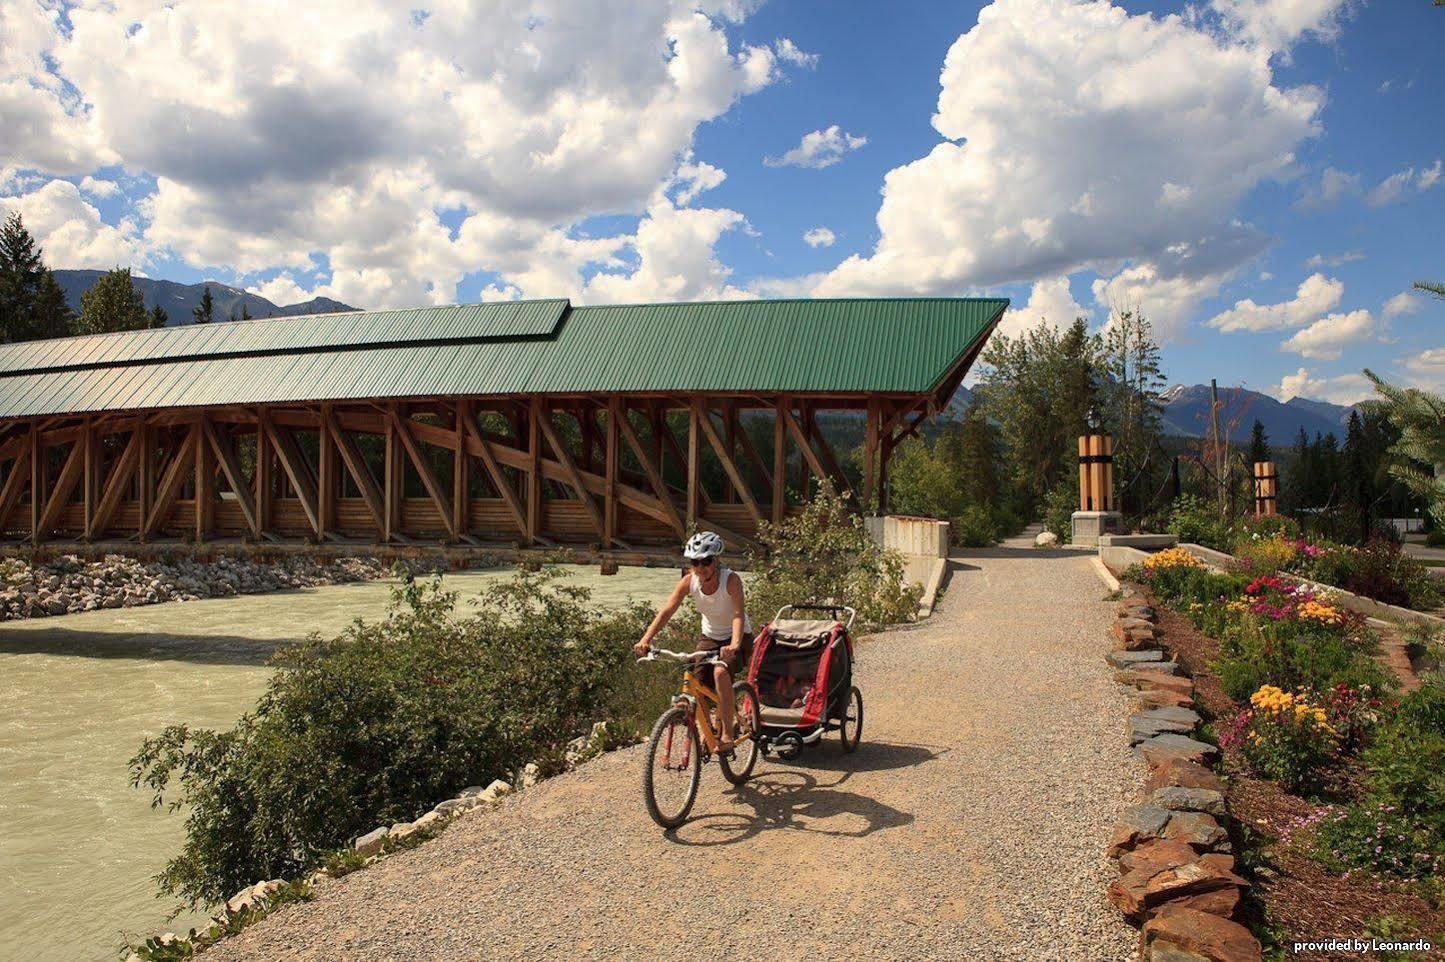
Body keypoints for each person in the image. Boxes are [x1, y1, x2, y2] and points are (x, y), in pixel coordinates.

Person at [633, 531, 752, 754]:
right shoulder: (689, 582)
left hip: (738, 636)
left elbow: (738, 614)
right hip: (710, 637)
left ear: (716, 560)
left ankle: (727, 732)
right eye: (695, 562)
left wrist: (734, 645)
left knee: (719, 673)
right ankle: (707, 733)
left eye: (706, 561)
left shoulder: (731, 580)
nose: (700, 567)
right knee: (697, 683)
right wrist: (646, 639)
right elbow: (667, 611)